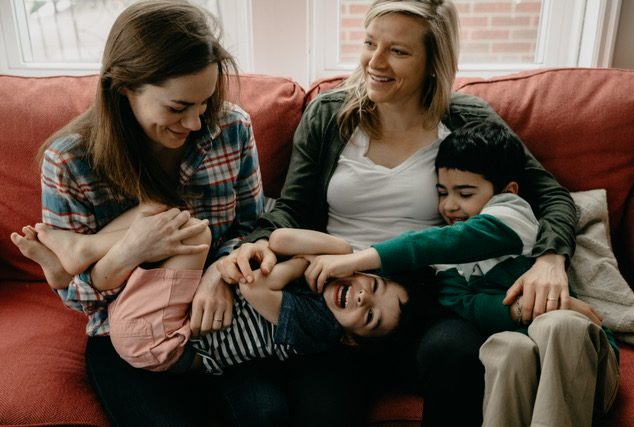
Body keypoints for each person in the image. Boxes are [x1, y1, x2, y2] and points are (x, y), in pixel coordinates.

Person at [217, 1, 578, 425]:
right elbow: (292, 210)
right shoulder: (329, 115)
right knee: (321, 407)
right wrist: (251, 248)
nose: (376, 61)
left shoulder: (466, 121)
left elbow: (552, 196)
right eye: (371, 43)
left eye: (399, 51)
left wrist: (552, 260)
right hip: (339, 294)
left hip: (428, 298)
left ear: (432, 63)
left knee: (454, 352)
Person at [10, 1, 267, 425]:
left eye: (204, 104)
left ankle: (87, 248)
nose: (197, 123)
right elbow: (78, 300)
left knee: (265, 413)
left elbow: (253, 228)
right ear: (124, 87)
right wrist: (130, 251)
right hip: (124, 329)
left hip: (223, 314)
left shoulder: (232, 128)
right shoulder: (71, 161)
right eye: (177, 107)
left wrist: (220, 272)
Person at [301, 119, 620, 426]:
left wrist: (362, 259)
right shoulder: (447, 269)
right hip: (531, 374)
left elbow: (451, 241)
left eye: (465, 194)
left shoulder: (512, 216)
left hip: (587, 368)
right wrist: (525, 311)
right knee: (507, 348)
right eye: (442, 193)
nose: (450, 206)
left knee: (557, 324)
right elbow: (466, 305)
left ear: (507, 191)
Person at [16, 221, 419, 374]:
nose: (363, 298)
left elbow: (253, 284)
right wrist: (344, 254)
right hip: (159, 323)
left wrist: (302, 263)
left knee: (192, 232)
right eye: (375, 286)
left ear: (351, 338)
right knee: (160, 217)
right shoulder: (325, 283)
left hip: (165, 341)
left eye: (370, 318)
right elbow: (278, 238)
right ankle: (63, 274)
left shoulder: (320, 330)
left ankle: (81, 256)